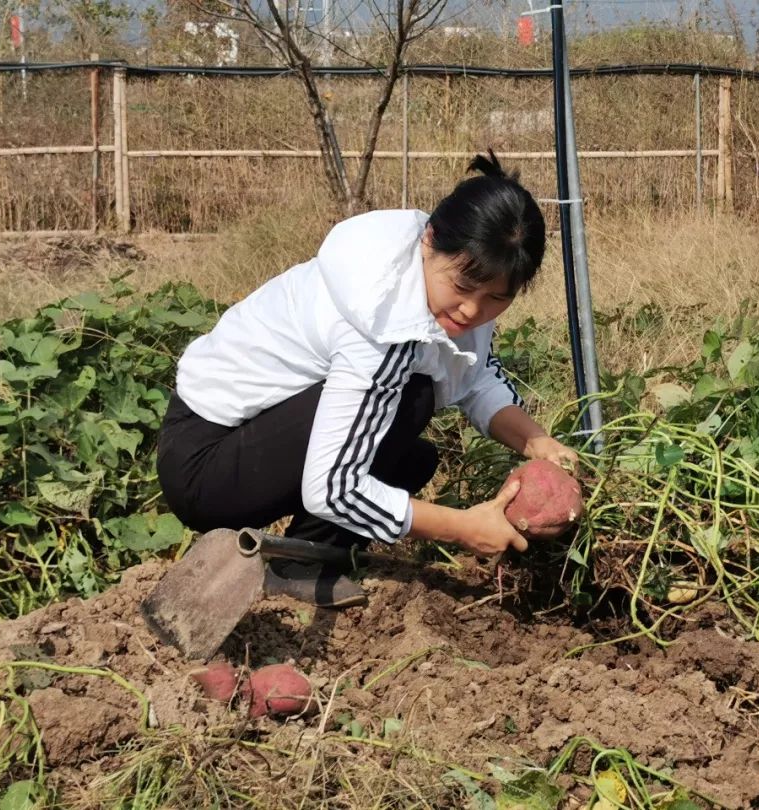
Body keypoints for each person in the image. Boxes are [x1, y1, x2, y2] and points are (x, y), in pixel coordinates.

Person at [156, 150, 579, 609]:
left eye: (496, 298)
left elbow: (475, 375)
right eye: (461, 287)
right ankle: (298, 567)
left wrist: (536, 441)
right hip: (204, 465)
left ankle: (307, 552)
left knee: (411, 461)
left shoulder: (430, 286)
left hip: (246, 444)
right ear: (430, 239)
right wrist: (464, 528)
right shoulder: (382, 321)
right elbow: (332, 488)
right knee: (409, 397)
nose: (473, 311)